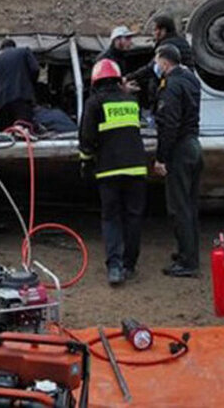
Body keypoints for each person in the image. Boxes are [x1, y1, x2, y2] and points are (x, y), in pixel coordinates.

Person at [79, 59, 148, 286]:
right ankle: (130, 264)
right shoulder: (131, 100)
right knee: (134, 217)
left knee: (111, 218)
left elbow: (87, 138)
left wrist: (85, 162)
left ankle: (115, 268)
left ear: (95, 81)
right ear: (118, 80)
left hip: (109, 170)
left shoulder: (94, 102)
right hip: (137, 168)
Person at [152, 44, 203, 278]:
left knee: (178, 207)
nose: (156, 65)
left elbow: (169, 124)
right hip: (194, 146)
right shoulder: (191, 79)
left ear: (164, 62)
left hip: (180, 151)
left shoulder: (171, 86)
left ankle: (187, 262)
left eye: (156, 61)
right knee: (190, 205)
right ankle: (189, 252)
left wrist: (161, 157)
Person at [126, 13, 194, 107]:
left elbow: (152, 68)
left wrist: (129, 77)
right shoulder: (182, 41)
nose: (153, 33)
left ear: (163, 31)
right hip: (188, 88)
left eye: (155, 30)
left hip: (174, 90)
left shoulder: (166, 46)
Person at [0, 39, 39, 129]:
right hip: (22, 97)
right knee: (24, 129)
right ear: (14, 46)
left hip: (2, 103)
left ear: (1, 49)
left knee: (8, 134)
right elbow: (35, 69)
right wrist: (30, 85)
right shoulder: (24, 51)